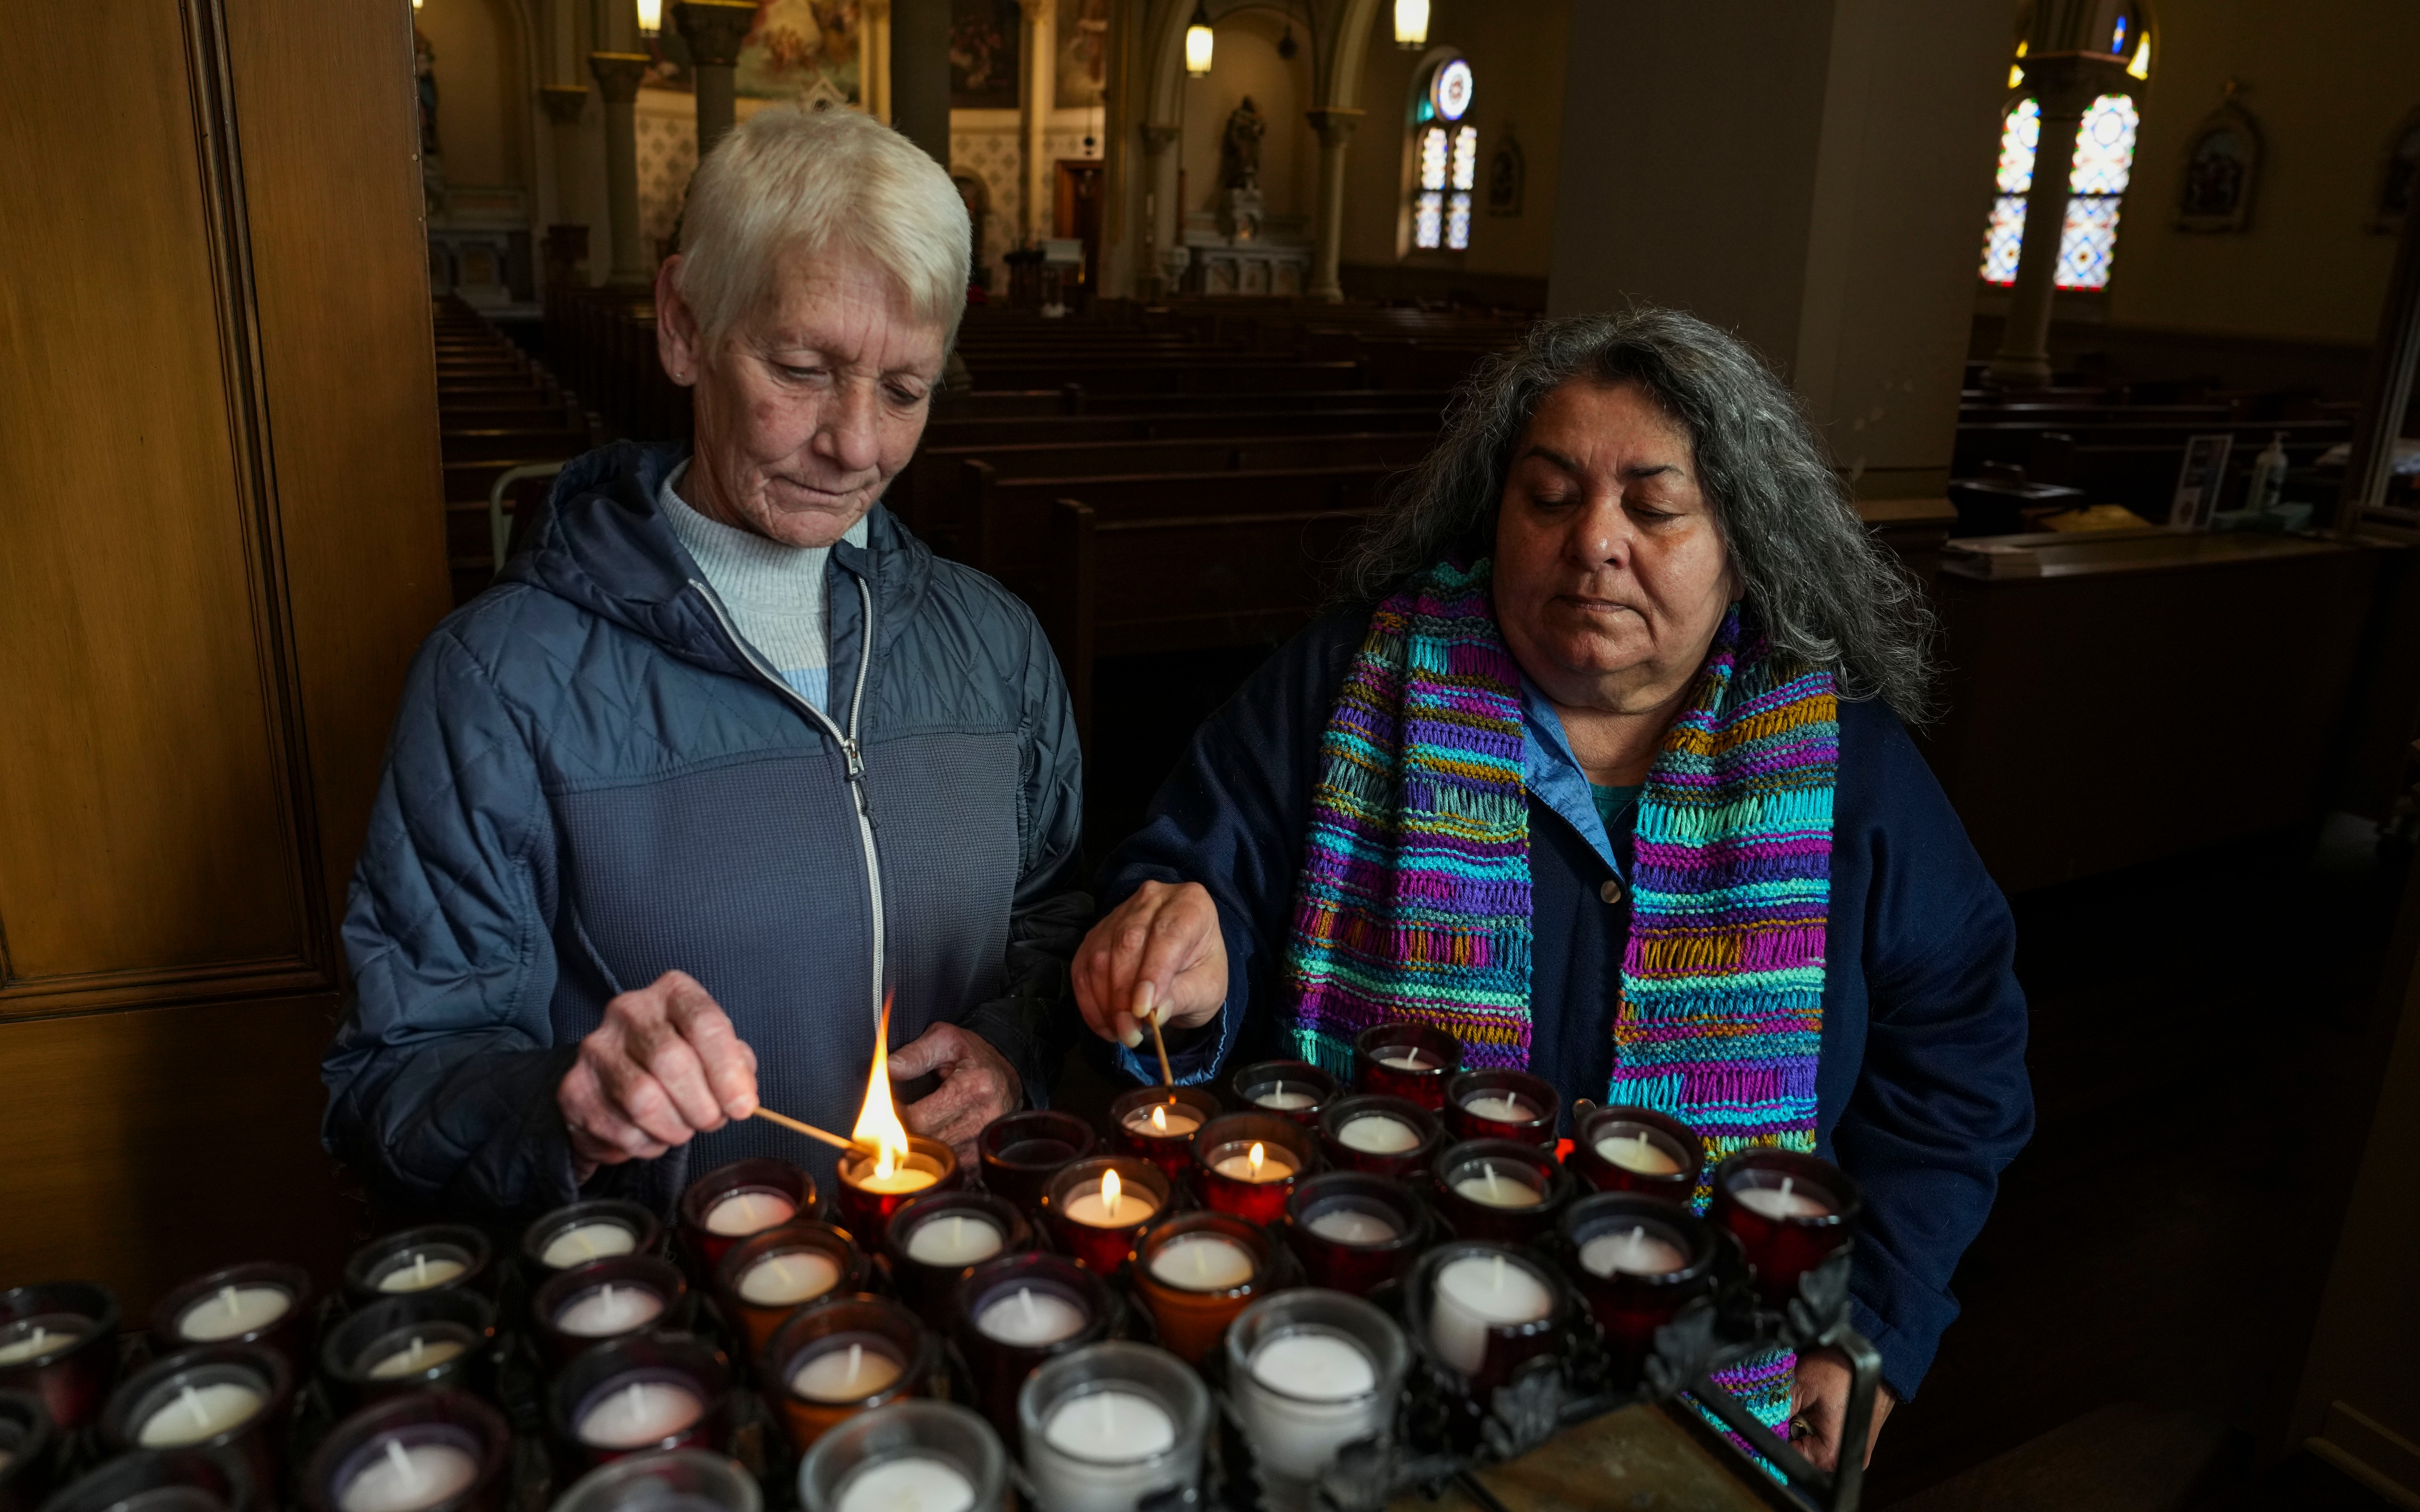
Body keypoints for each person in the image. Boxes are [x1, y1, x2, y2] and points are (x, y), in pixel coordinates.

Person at [1072, 309, 2030, 1470]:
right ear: (1495, 510)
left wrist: (1874, 1316)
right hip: (1354, 1353)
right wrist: (1188, 940)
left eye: (1654, 505)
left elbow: (1959, 1054)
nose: (1593, 541)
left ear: (1742, 535)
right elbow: (1193, 878)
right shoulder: (1346, 685)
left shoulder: (1845, 761)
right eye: (1550, 494)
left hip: (1710, 1394)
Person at [324, 106, 1085, 1217]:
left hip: (952, 1289)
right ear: (683, 325)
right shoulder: (498, 682)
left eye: (906, 389)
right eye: (801, 367)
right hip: (677, 1323)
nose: (858, 443)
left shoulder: (998, 645)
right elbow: (390, 1081)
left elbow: (1053, 920)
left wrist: (1012, 1052)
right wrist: (564, 1106)